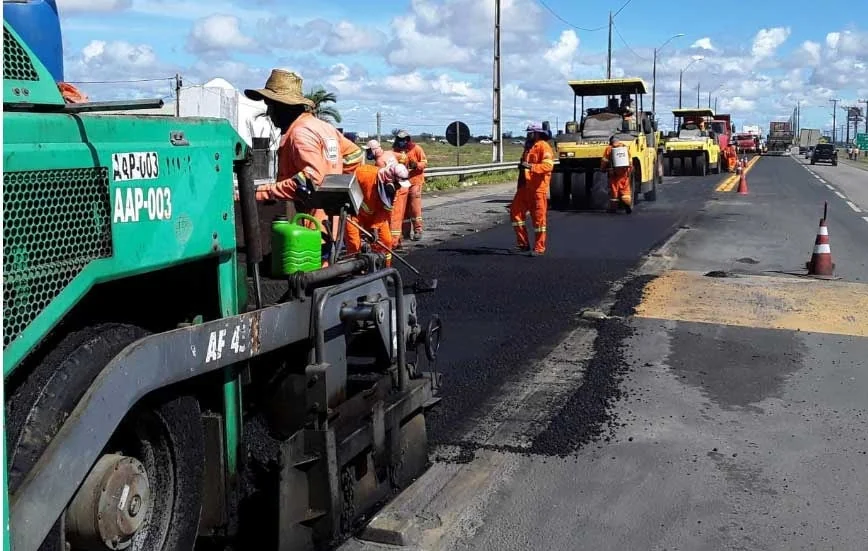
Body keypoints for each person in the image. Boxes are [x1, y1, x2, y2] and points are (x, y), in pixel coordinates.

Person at [242, 69, 363, 265]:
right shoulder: (322, 127)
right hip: (330, 223)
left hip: (309, 227)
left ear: (284, 106)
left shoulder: (300, 134)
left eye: (271, 106)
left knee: (309, 281)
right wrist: (336, 184)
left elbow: (310, 179)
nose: (269, 113)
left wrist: (261, 192)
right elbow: (354, 155)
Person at [344, 163, 411, 267]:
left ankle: (384, 269)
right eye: (397, 184)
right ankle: (354, 271)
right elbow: (347, 189)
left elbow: (385, 211)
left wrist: (374, 227)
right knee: (354, 244)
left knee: (386, 241)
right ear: (390, 180)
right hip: (355, 213)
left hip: (376, 217)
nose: (398, 188)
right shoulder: (364, 174)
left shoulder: (394, 191)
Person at [510, 123, 555, 256]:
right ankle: (523, 244)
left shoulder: (543, 146)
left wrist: (531, 167)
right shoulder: (528, 148)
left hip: (537, 188)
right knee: (515, 212)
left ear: (537, 133)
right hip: (525, 188)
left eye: (530, 132)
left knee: (539, 220)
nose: (527, 135)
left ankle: (539, 248)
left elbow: (548, 166)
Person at [391, 130, 428, 246]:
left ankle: (418, 229)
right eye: (400, 140)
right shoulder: (396, 151)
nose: (402, 142)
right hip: (402, 183)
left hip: (414, 181)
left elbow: (424, 162)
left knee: (414, 206)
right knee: (403, 208)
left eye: (404, 140)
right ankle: (405, 232)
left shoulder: (416, 149)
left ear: (407, 140)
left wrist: (416, 165)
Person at [600, 135, 633, 214]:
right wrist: (629, 169)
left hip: (614, 173)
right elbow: (630, 160)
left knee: (614, 191)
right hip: (624, 173)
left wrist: (602, 169)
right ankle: (627, 205)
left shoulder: (609, 149)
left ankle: (613, 209)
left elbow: (605, 160)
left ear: (611, 142)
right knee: (625, 191)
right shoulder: (625, 148)